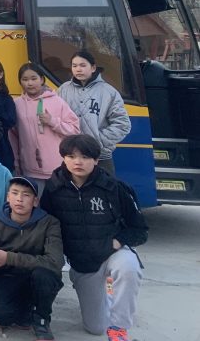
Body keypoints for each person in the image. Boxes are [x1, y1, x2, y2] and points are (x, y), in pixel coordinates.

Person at [40, 134, 148, 341]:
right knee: (95, 327)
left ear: (96, 160)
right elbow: (47, 227)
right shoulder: (53, 188)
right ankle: (105, 293)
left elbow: (139, 229)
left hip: (111, 253)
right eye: (71, 156)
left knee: (129, 267)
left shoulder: (115, 188)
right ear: (63, 158)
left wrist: (117, 242)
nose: (77, 162)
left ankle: (119, 327)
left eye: (85, 157)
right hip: (82, 263)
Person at [0, 177, 64, 340]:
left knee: (44, 275)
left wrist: (9, 257)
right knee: (2, 316)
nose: (19, 199)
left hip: (37, 276)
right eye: (15, 193)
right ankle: (24, 310)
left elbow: (54, 263)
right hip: (9, 277)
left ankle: (42, 319)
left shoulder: (50, 223)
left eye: (26, 195)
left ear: (35, 201)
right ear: (7, 197)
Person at [10, 62, 81, 192]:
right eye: (25, 79)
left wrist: (53, 121)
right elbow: (13, 137)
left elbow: (74, 129)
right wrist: (17, 162)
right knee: (36, 208)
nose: (29, 83)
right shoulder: (16, 104)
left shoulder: (57, 101)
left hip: (57, 169)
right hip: (29, 170)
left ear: (42, 79)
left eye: (34, 78)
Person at [58, 50, 131, 176]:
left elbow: (123, 124)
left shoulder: (108, 92)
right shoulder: (63, 90)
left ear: (93, 68)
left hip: (100, 157)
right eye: (74, 66)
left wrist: (97, 142)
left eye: (82, 65)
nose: (78, 69)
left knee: (104, 193)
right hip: (71, 158)